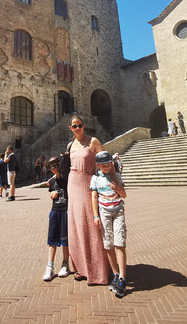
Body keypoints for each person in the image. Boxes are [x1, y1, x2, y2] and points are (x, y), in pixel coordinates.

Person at [66, 115, 110, 285]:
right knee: (76, 226)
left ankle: (97, 271)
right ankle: (80, 267)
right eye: (74, 126)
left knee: (91, 225)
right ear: (70, 128)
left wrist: (112, 182)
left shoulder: (93, 142)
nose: (77, 128)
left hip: (88, 185)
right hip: (73, 185)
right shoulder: (71, 145)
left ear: (84, 126)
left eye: (80, 125)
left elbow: (107, 161)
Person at [91, 151, 128, 297]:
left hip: (118, 211)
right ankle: (116, 274)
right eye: (103, 164)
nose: (106, 166)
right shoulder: (94, 179)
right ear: (97, 165)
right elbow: (94, 198)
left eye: (108, 163)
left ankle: (123, 278)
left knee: (120, 243)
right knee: (108, 244)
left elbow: (124, 195)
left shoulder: (116, 176)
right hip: (104, 213)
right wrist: (95, 215)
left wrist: (117, 188)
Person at [43, 156, 71, 281]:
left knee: (65, 240)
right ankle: (50, 266)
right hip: (55, 211)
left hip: (65, 211)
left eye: (56, 165)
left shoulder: (67, 179)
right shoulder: (52, 181)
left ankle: (65, 263)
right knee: (52, 240)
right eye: (52, 166)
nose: (55, 168)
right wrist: (51, 194)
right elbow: (51, 191)